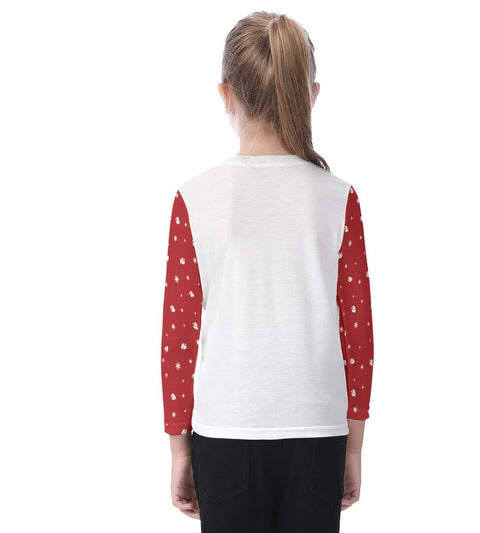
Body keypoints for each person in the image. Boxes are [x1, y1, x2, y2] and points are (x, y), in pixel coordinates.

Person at [160, 11, 374, 533]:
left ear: (225, 95)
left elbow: (178, 337)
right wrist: (353, 446)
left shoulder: (195, 198)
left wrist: (179, 450)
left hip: (224, 431)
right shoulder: (339, 199)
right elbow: (358, 335)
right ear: (311, 95)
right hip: (319, 433)